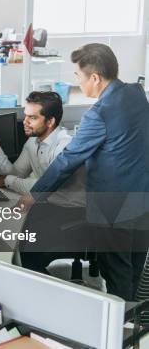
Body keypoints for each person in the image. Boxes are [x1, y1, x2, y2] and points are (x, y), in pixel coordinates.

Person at [21, 43, 149, 301]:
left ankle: (117, 333)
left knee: (118, 277)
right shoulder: (137, 93)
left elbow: (68, 159)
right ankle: (132, 328)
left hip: (113, 207)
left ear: (95, 77)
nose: (76, 81)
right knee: (133, 271)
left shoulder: (99, 113)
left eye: (78, 75)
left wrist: (35, 195)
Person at [0, 91, 86, 274]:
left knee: (26, 249)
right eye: (25, 116)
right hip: (47, 205)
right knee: (4, 228)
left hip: (72, 211)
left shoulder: (64, 146)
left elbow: (43, 186)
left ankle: (41, 290)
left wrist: (8, 181)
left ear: (50, 121)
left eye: (32, 117)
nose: (25, 122)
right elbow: (16, 172)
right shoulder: (33, 141)